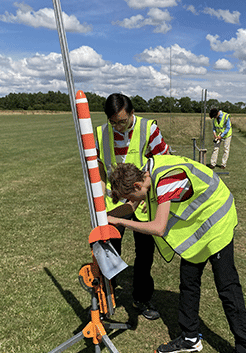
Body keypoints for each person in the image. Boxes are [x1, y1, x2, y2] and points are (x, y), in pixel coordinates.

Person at [107, 155, 246, 353]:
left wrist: (121, 222)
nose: (132, 203)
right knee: (188, 281)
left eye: (132, 196)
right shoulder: (145, 176)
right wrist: (105, 218)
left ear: (136, 185)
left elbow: (159, 227)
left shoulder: (167, 179)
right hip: (198, 227)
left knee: (227, 286)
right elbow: (129, 207)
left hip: (217, 220)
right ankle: (190, 338)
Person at [96, 93, 170, 320]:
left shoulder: (149, 129)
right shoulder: (100, 134)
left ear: (132, 113)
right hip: (113, 203)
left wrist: (150, 194)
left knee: (145, 253)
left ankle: (142, 297)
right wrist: (101, 198)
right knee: (108, 251)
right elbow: (98, 167)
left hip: (143, 203)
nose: (118, 127)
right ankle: (108, 296)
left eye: (122, 121)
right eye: (113, 122)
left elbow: (165, 161)